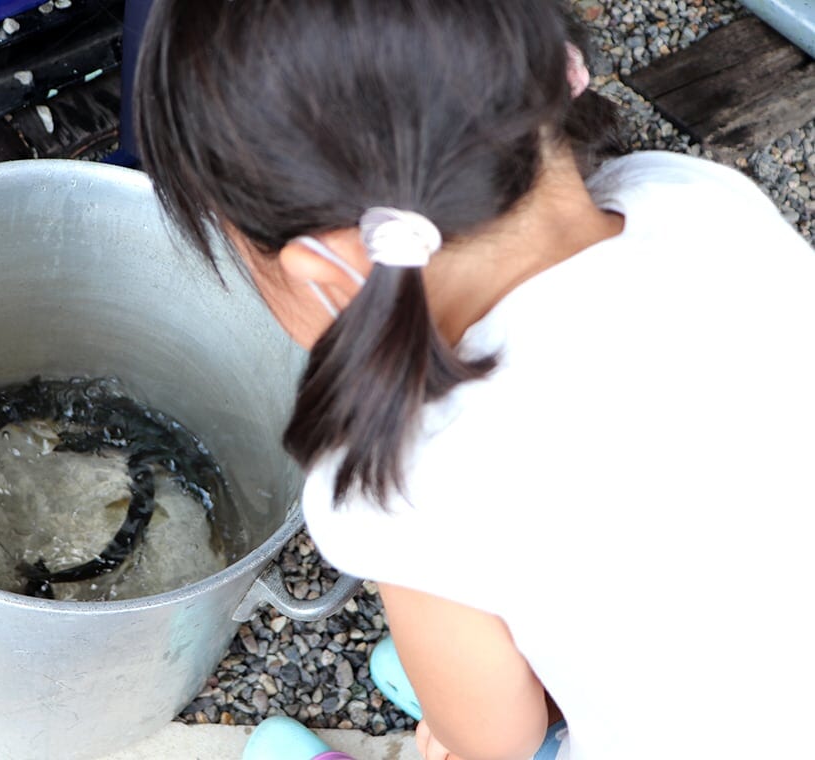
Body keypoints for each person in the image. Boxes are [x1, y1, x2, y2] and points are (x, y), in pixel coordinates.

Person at [132, 1, 815, 758]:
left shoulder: (407, 465)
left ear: (323, 268)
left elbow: (498, 740)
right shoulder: (697, 201)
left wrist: (458, 730)